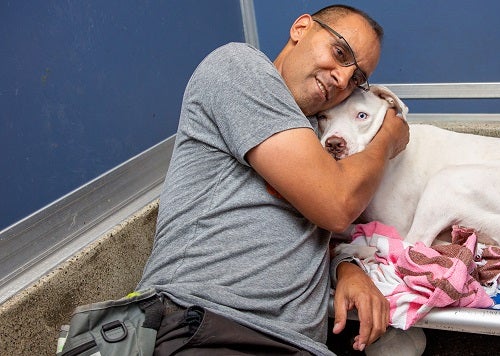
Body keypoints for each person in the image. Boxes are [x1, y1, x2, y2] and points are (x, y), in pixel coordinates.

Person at [136, 4, 409, 355]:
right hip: (202, 323)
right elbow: (337, 204)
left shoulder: (316, 136)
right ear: (301, 28)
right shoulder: (238, 69)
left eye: (357, 78)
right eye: (339, 53)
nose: (343, 79)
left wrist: (345, 267)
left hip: (294, 344)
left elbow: (292, 232)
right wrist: (386, 135)